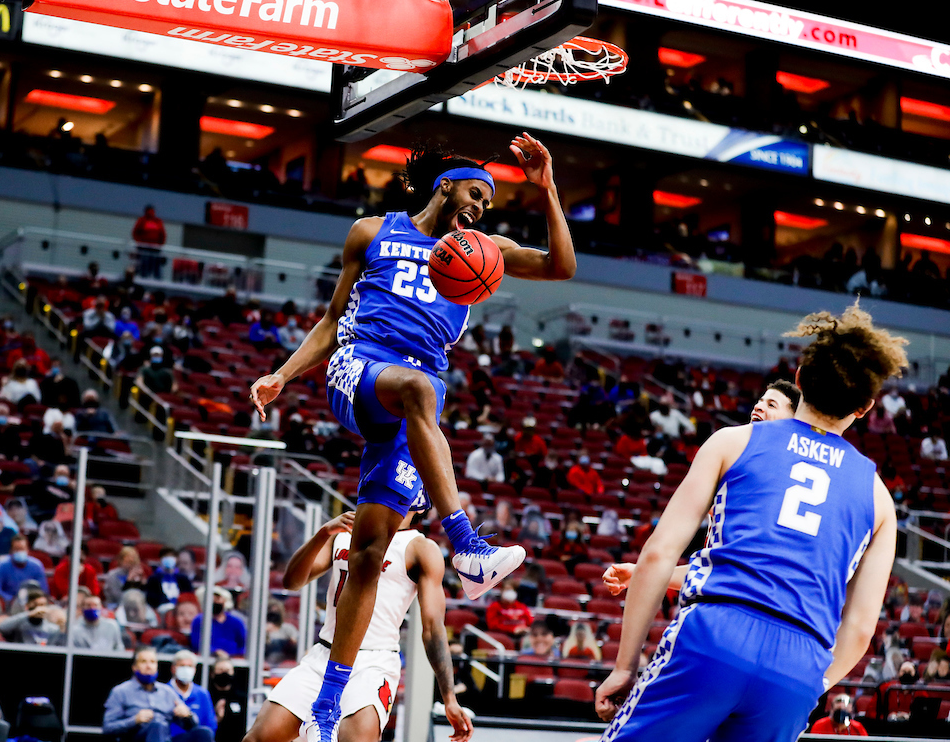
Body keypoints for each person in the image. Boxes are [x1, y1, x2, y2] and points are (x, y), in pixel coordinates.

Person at [248, 139, 572, 742]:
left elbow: (560, 266)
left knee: (370, 552)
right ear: (445, 186)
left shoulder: (485, 253)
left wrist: (547, 186)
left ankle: (326, 701)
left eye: (491, 201)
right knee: (421, 390)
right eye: (476, 192)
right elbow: (329, 320)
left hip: (413, 407)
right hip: (361, 369)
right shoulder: (371, 232)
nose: (482, 206)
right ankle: (467, 545)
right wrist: (283, 374)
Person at [594, 305, 906, 741]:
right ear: (865, 406)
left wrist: (626, 666)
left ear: (798, 379)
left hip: (716, 633)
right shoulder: (880, 499)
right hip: (799, 663)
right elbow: (858, 630)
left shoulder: (733, 441)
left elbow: (660, 553)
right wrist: (807, 688)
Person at [243, 500, 472, 742]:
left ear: (420, 505)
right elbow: (292, 581)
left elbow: (433, 628)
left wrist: (449, 698)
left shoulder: (421, 548)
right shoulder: (345, 532)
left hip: (373, 661)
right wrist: (323, 533)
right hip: (325, 653)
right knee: (256, 739)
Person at [603, 382, 801, 596]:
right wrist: (642, 573)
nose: (758, 407)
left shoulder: (784, 481)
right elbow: (715, 571)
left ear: (793, 422)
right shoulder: (734, 466)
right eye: (759, 401)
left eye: (771, 405)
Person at [104, 646, 198, 742]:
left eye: (152, 662)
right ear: (134, 667)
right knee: (157, 724)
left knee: (203, 733)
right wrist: (134, 720)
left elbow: (192, 725)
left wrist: (187, 715)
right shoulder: (120, 692)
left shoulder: (167, 692)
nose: (149, 666)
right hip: (135, 737)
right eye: (144, 662)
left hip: (165, 737)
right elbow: (108, 728)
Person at [168, 650, 218, 741]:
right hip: (170, 739)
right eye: (182, 666)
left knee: (205, 733)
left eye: (189, 666)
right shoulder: (164, 691)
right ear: (173, 669)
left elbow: (211, 727)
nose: (186, 669)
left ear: (195, 669)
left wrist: (189, 716)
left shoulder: (202, 694)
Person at [0, 535, 49, 605]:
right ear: (11, 551)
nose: (20, 551)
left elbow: (43, 589)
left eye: (22, 549)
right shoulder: (2, 565)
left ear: (27, 550)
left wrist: (32, 601)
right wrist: (11, 600)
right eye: (16, 549)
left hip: (32, 603)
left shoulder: (37, 566)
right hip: (8, 604)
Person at [190, 586, 246, 656]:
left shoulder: (236, 622)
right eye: (212, 599)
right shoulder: (199, 620)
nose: (215, 601)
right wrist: (215, 652)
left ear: (224, 600)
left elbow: (244, 644)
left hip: (235, 660)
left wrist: (233, 655)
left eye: (218, 598)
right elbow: (197, 643)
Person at [0, 589, 65, 645]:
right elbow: (2, 627)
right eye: (36, 605)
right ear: (27, 605)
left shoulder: (51, 627)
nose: (39, 609)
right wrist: (29, 614)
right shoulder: (20, 622)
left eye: (42, 605)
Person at [210, 654, 247, 742]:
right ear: (212, 673)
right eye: (220, 670)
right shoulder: (208, 696)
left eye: (227, 670)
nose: (224, 673)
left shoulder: (242, 697)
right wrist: (216, 718)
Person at [133, 205, 167, 278]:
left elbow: (163, 234)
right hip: (144, 249)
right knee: (144, 265)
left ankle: (158, 284)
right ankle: (144, 280)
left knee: (156, 266)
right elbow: (135, 233)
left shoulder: (158, 221)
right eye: (149, 211)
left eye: (152, 211)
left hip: (155, 249)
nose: (151, 213)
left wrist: (160, 245)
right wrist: (140, 243)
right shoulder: (142, 221)